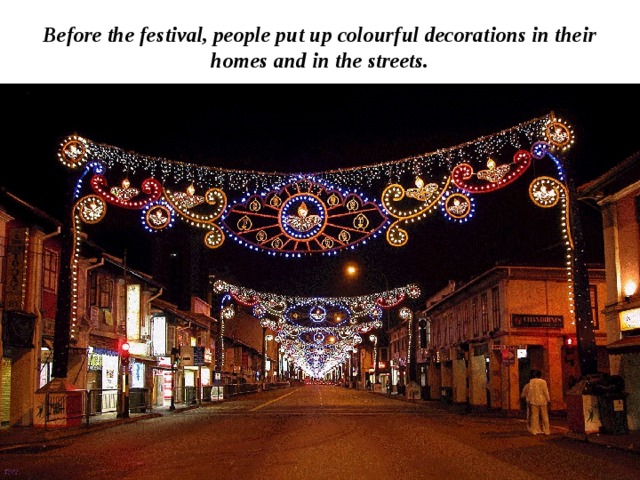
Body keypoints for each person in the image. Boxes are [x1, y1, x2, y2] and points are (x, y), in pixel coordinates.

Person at [527, 369, 551, 435]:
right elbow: (545, 391)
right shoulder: (543, 382)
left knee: (534, 416)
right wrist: (548, 399)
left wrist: (528, 399)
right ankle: (547, 431)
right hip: (543, 400)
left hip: (534, 400)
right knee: (545, 416)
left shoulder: (532, 381)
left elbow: (530, 391)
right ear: (541, 375)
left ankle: (534, 430)